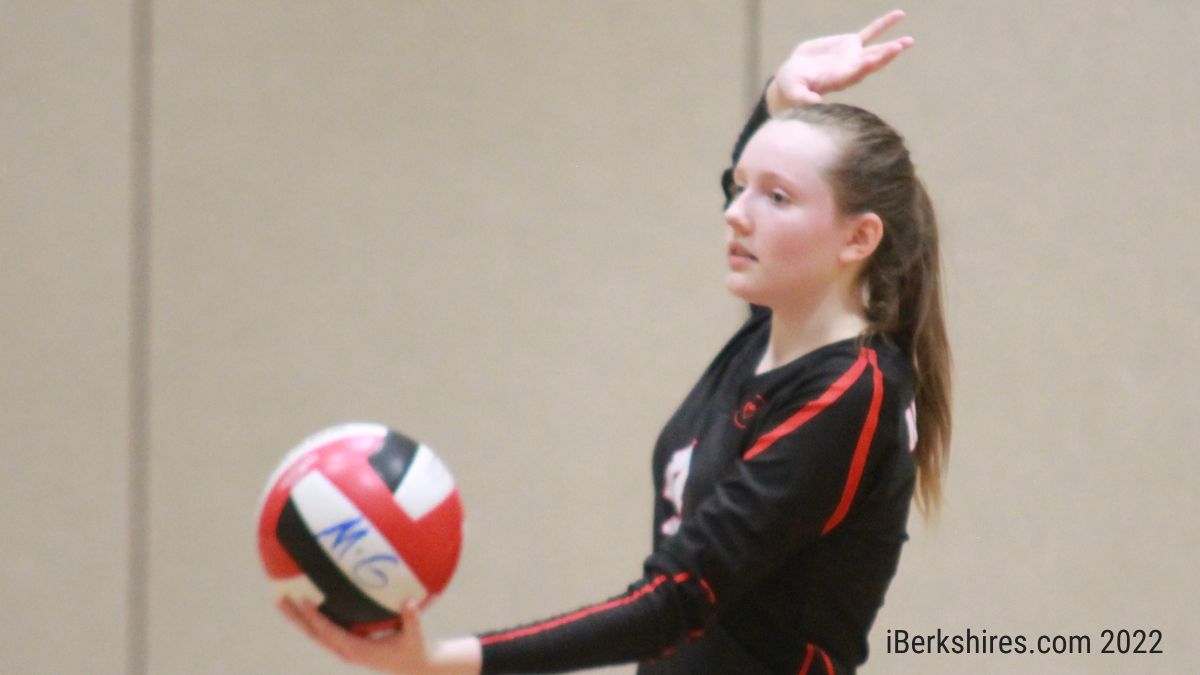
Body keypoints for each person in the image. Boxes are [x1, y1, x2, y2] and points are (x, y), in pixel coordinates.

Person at [279, 9, 951, 674]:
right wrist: (779, 92)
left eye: (776, 198)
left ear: (858, 238)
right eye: (739, 188)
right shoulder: (775, 336)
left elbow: (673, 602)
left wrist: (439, 661)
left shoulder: (849, 394)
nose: (735, 214)